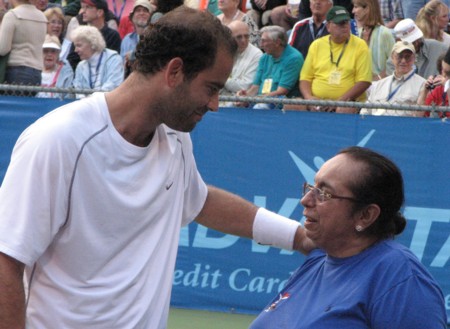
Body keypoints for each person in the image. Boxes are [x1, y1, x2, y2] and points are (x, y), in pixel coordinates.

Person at [0, 7, 314, 329]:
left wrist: (299, 237)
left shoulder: (176, 137)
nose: (215, 104)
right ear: (174, 72)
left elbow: (199, 201)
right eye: (211, 88)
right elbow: (6, 261)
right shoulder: (58, 139)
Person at [249, 146, 448, 329]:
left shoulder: (399, 279)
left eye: (325, 194)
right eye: (311, 187)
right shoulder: (317, 263)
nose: (306, 200)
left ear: (366, 215)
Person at [297, 6, 372, 113]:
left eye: (346, 23)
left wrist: (339, 102)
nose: (345, 27)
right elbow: (305, 78)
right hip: (317, 102)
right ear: (328, 26)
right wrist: (309, 99)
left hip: (346, 102)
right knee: (293, 105)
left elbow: (364, 81)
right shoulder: (317, 45)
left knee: (344, 109)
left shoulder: (360, 45)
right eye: (340, 23)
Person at [236, 25, 304, 109]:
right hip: (260, 99)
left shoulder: (293, 58)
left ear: (277, 42)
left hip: (283, 101)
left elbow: (281, 91)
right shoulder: (264, 57)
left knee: (259, 107)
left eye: (264, 41)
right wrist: (245, 96)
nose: (261, 45)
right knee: (232, 105)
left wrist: (256, 99)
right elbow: (255, 87)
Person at [361, 41, 426, 116]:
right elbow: (365, 111)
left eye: (407, 57)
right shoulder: (379, 85)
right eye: (400, 56)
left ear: (414, 59)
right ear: (392, 57)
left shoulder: (422, 85)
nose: (403, 61)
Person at [0, 0, 47, 93]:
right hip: (36, 73)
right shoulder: (42, 16)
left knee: (13, 106)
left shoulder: (12, 15)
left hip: (15, 71)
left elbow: (2, 49)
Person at [67, 0, 121, 71]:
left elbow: (111, 62)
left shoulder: (112, 36)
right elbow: (71, 60)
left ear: (100, 12)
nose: (83, 11)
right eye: (83, 7)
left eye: (88, 7)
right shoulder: (80, 34)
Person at [71, 25, 123, 96]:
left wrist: (92, 100)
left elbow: (113, 85)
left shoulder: (114, 59)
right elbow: (78, 91)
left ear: (92, 44)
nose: (75, 50)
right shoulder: (80, 66)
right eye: (75, 46)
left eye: (79, 45)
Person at [220, 20, 263, 102]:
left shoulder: (256, 54)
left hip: (239, 101)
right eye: (239, 37)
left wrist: (221, 78)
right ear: (229, 37)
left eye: (246, 36)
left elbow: (245, 86)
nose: (243, 40)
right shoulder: (222, 51)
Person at [352, 0, 394, 81]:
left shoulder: (385, 33)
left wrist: (377, 80)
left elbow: (393, 63)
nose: (353, 11)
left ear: (367, 8)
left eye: (356, 7)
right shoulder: (357, 33)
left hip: (381, 87)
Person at [120, 0, 154, 77]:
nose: (142, 13)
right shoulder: (127, 39)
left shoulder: (155, 37)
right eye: (138, 10)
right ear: (132, 18)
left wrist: (132, 56)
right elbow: (122, 66)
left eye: (145, 10)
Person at [36, 34, 74, 98]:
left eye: (53, 51)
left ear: (58, 53)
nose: (49, 54)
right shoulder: (33, 70)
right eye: (45, 51)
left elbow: (68, 96)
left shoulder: (66, 73)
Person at [418, 52, 450, 118]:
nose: (444, 75)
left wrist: (447, 86)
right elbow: (418, 115)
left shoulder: (445, 86)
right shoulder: (439, 90)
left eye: (447, 72)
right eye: (443, 71)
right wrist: (424, 91)